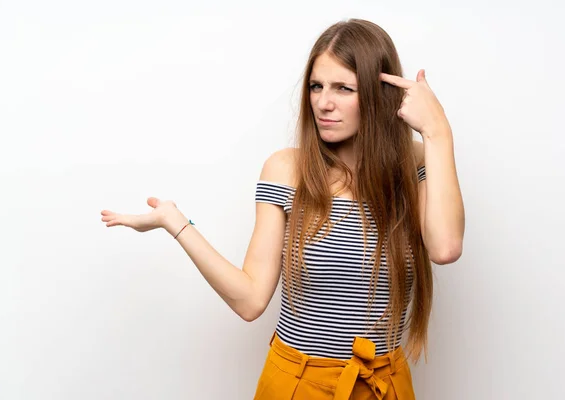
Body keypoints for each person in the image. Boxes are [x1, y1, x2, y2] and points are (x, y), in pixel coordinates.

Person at [100, 18, 465, 400]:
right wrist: (174, 222)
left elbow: (445, 248)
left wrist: (438, 131)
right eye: (316, 86)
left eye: (344, 88)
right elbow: (250, 299)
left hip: (382, 385)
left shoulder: (416, 162)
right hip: (297, 384)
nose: (324, 103)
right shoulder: (287, 170)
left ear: (380, 93)